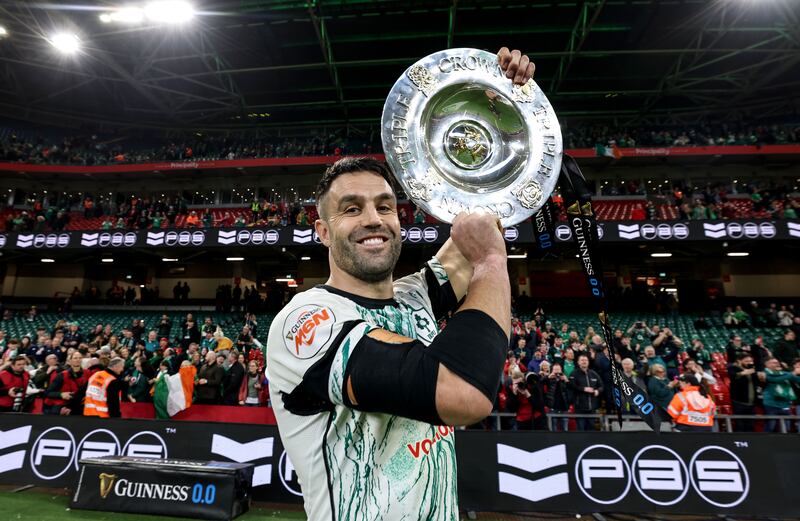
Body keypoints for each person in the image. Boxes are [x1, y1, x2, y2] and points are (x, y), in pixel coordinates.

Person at [267, 47, 529, 518]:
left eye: (385, 206)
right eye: (352, 209)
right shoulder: (306, 323)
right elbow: (463, 394)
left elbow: (485, 217)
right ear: (322, 231)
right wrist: (492, 260)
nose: (374, 219)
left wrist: (508, 100)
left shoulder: (413, 295)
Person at [43, 350, 88, 415]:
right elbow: (48, 392)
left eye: (80, 358)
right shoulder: (62, 375)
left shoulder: (87, 373)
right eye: (75, 358)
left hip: (80, 404)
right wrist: (61, 394)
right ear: (70, 361)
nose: (78, 360)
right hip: (64, 404)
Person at [762, 357, 800, 432]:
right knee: (771, 427)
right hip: (771, 404)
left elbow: (797, 379)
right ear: (766, 364)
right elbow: (776, 379)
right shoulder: (764, 373)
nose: (777, 364)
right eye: (774, 362)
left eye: (777, 362)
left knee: (787, 428)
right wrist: (793, 373)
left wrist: (795, 374)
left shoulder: (784, 373)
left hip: (785, 404)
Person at [568, 352, 603, 431]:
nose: (584, 362)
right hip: (579, 408)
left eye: (586, 360)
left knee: (591, 430)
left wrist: (598, 391)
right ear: (578, 362)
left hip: (592, 408)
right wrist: (583, 389)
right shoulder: (574, 374)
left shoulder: (593, 373)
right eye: (582, 360)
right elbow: (571, 386)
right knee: (581, 430)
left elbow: (601, 386)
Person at [729, 354, 762, 432]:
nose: (750, 363)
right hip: (739, 402)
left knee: (751, 425)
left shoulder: (753, 370)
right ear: (739, 361)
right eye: (747, 361)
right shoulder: (733, 368)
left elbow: (758, 383)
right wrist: (743, 373)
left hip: (752, 403)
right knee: (740, 425)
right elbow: (733, 376)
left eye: (751, 361)